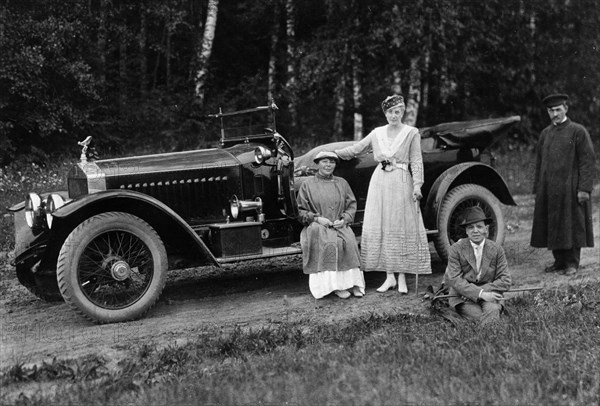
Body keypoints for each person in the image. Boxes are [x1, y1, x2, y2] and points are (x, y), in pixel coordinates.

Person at [334, 95, 431, 294]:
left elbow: (417, 160)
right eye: (389, 112)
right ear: (384, 113)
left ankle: (402, 277)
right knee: (383, 225)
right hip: (380, 182)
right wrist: (333, 154)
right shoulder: (377, 133)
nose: (393, 115)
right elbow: (356, 149)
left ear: (403, 112)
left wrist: (417, 185)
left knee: (400, 226)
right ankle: (389, 278)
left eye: (397, 111)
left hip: (402, 180)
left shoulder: (411, 133)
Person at [531, 93, 596, 276]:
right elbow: (539, 162)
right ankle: (559, 261)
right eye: (551, 110)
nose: (554, 114)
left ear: (566, 109)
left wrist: (584, 188)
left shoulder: (578, 131)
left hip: (571, 189)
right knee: (553, 225)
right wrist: (538, 188)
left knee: (572, 225)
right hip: (549, 190)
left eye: (558, 109)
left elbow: (587, 161)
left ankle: (572, 263)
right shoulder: (545, 134)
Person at [296, 151, 365, 299]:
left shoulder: (342, 182)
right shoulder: (307, 185)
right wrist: (317, 219)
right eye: (324, 161)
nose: (328, 165)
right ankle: (335, 286)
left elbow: (351, 205)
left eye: (332, 162)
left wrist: (345, 219)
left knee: (348, 242)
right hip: (318, 225)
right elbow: (301, 211)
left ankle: (353, 284)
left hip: (339, 224)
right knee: (329, 243)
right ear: (317, 163)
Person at [443, 206, 512, 325]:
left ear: (486, 229)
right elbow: (454, 280)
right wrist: (478, 294)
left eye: (479, 226)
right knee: (483, 315)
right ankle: (490, 332)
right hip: (462, 297)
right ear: (466, 231)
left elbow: (505, 280)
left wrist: (483, 292)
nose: (475, 230)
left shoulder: (497, 249)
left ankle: (485, 333)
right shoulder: (456, 249)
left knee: (492, 309)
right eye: (471, 227)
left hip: (490, 294)